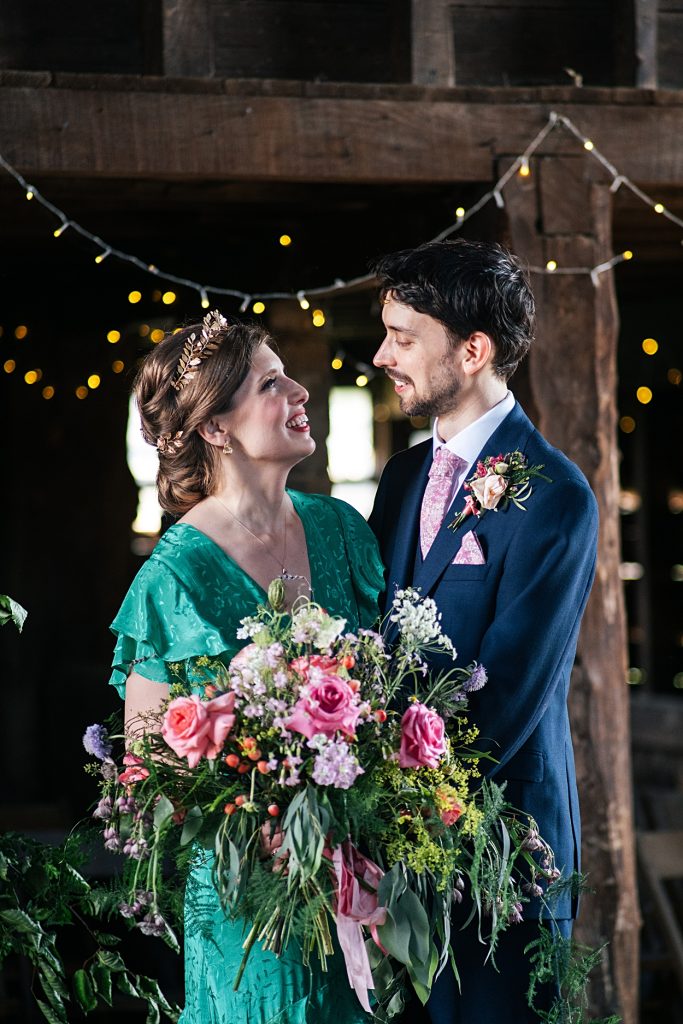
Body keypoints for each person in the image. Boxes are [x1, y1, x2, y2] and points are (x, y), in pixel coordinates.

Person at [108, 311, 383, 1024]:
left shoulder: (341, 531)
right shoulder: (174, 577)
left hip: (356, 882)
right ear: (214, 429)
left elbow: (383, 693)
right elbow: (146, 774)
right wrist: (254, 822)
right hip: (246, 903)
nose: (300, 391)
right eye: (270, 383)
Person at [368, 239, 599, 1024]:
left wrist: (384, 797)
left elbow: (505, 693)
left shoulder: (556, 498)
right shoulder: (401, 480)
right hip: (394, 857)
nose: (381, 355)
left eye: (403, 339)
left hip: (501, 851)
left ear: (472, 350)